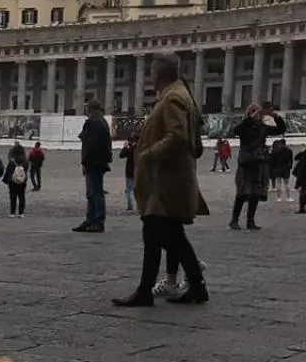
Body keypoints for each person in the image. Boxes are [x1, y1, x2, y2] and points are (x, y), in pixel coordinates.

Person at [112, 54, 208, 307]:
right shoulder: (176, 93)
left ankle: (178, 287)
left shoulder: (173, 97)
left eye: (151, 73)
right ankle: (189, 286)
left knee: (162, 233)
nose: (150, 78)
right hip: (167, 179)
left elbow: (176, 136)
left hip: (166, 180)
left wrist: (148, 154)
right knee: (164, 234)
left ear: (158, 75)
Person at [228, 102, 286, 230]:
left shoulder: (263, 127)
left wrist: (275, 116)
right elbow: (235, 131)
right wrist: (249, 118)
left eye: (257, 111)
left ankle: (250, 221)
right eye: (253, 111)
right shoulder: (244, 127)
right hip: (246, 162)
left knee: (255, 193)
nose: (256, 114)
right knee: (242, 193)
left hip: (259, 161)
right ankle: (234, 220)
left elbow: (281, 129)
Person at [74, 101, 112, 232]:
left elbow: (91, 144)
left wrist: (86, 162)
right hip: (93, 162)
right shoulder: (99, 122)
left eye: (88, 110)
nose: (87, 112)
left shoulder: (96, 123)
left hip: (94, 162)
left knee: (96, 192)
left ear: (93, 110)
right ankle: (90, 219)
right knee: (91, 193)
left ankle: (98, 220)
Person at [5, 143, 28, 215]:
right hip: (22, 180)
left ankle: (12, 212)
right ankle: (21, 212)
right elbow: (26, 170)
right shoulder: (25, 161)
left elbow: (8, 170)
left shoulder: (12, 161)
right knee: (22, 196)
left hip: (12, 180)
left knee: (13, 196)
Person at [119, 134, 138, 214]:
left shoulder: (129, 148)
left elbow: (121, 155)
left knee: (129, 190)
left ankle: (130, 207)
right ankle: (139, 206)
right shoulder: (140, 147)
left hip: (130, 171)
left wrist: (125, 147)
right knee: (137, 190)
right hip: (138, 170)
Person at [294, 145, 306, 213]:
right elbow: (296, 158)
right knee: (302, 192)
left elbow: (296, 158)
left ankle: (302, 208)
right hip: (303, 176)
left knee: (302, 192)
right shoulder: (304, 153)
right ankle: (302, 208)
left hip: (303, 176)